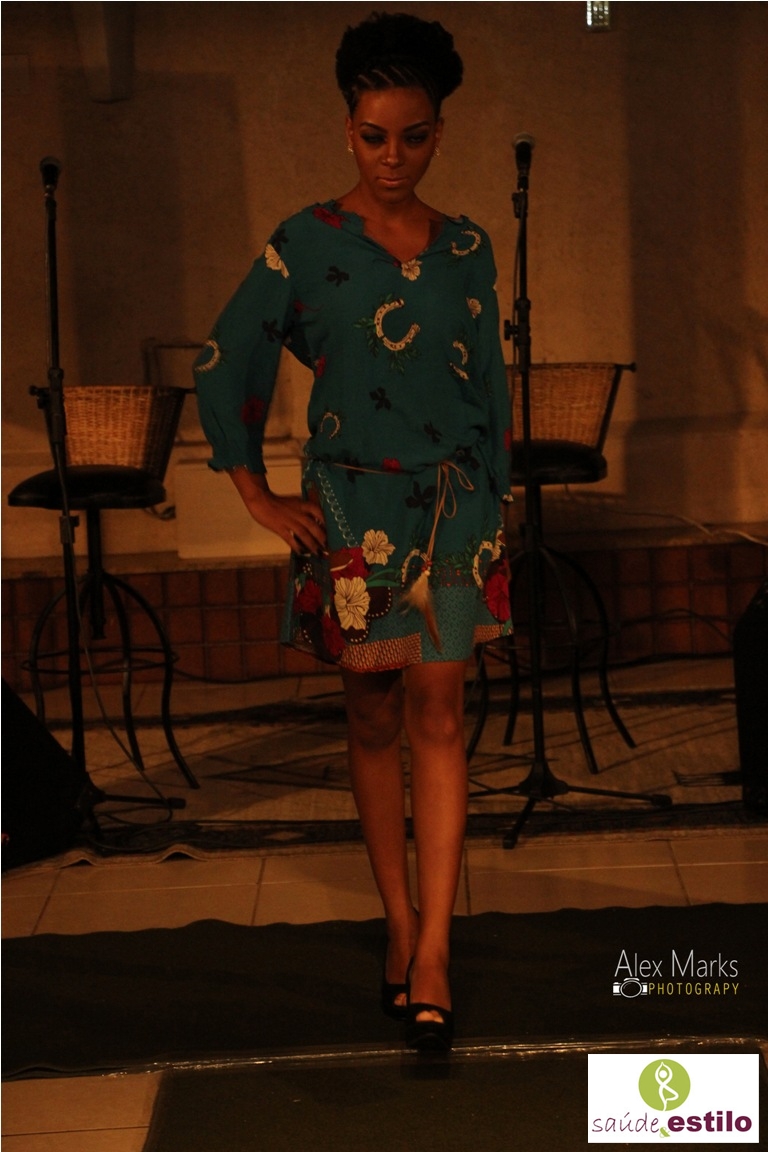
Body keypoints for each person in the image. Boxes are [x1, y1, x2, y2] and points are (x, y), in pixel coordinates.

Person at [194, 11, 512, 1051]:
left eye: (413, 136)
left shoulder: (467, 249)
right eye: (374, 136)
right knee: (373, 718)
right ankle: (399, 925)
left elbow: (490, 385)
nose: (393, 157)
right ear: (348, 130)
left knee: (440, 713)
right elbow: (226, 355)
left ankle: (436, 953)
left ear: (438, 133)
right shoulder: (304, 244)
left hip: (454, 506)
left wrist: (495, 503)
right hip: (352, 513)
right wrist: (252, 491)